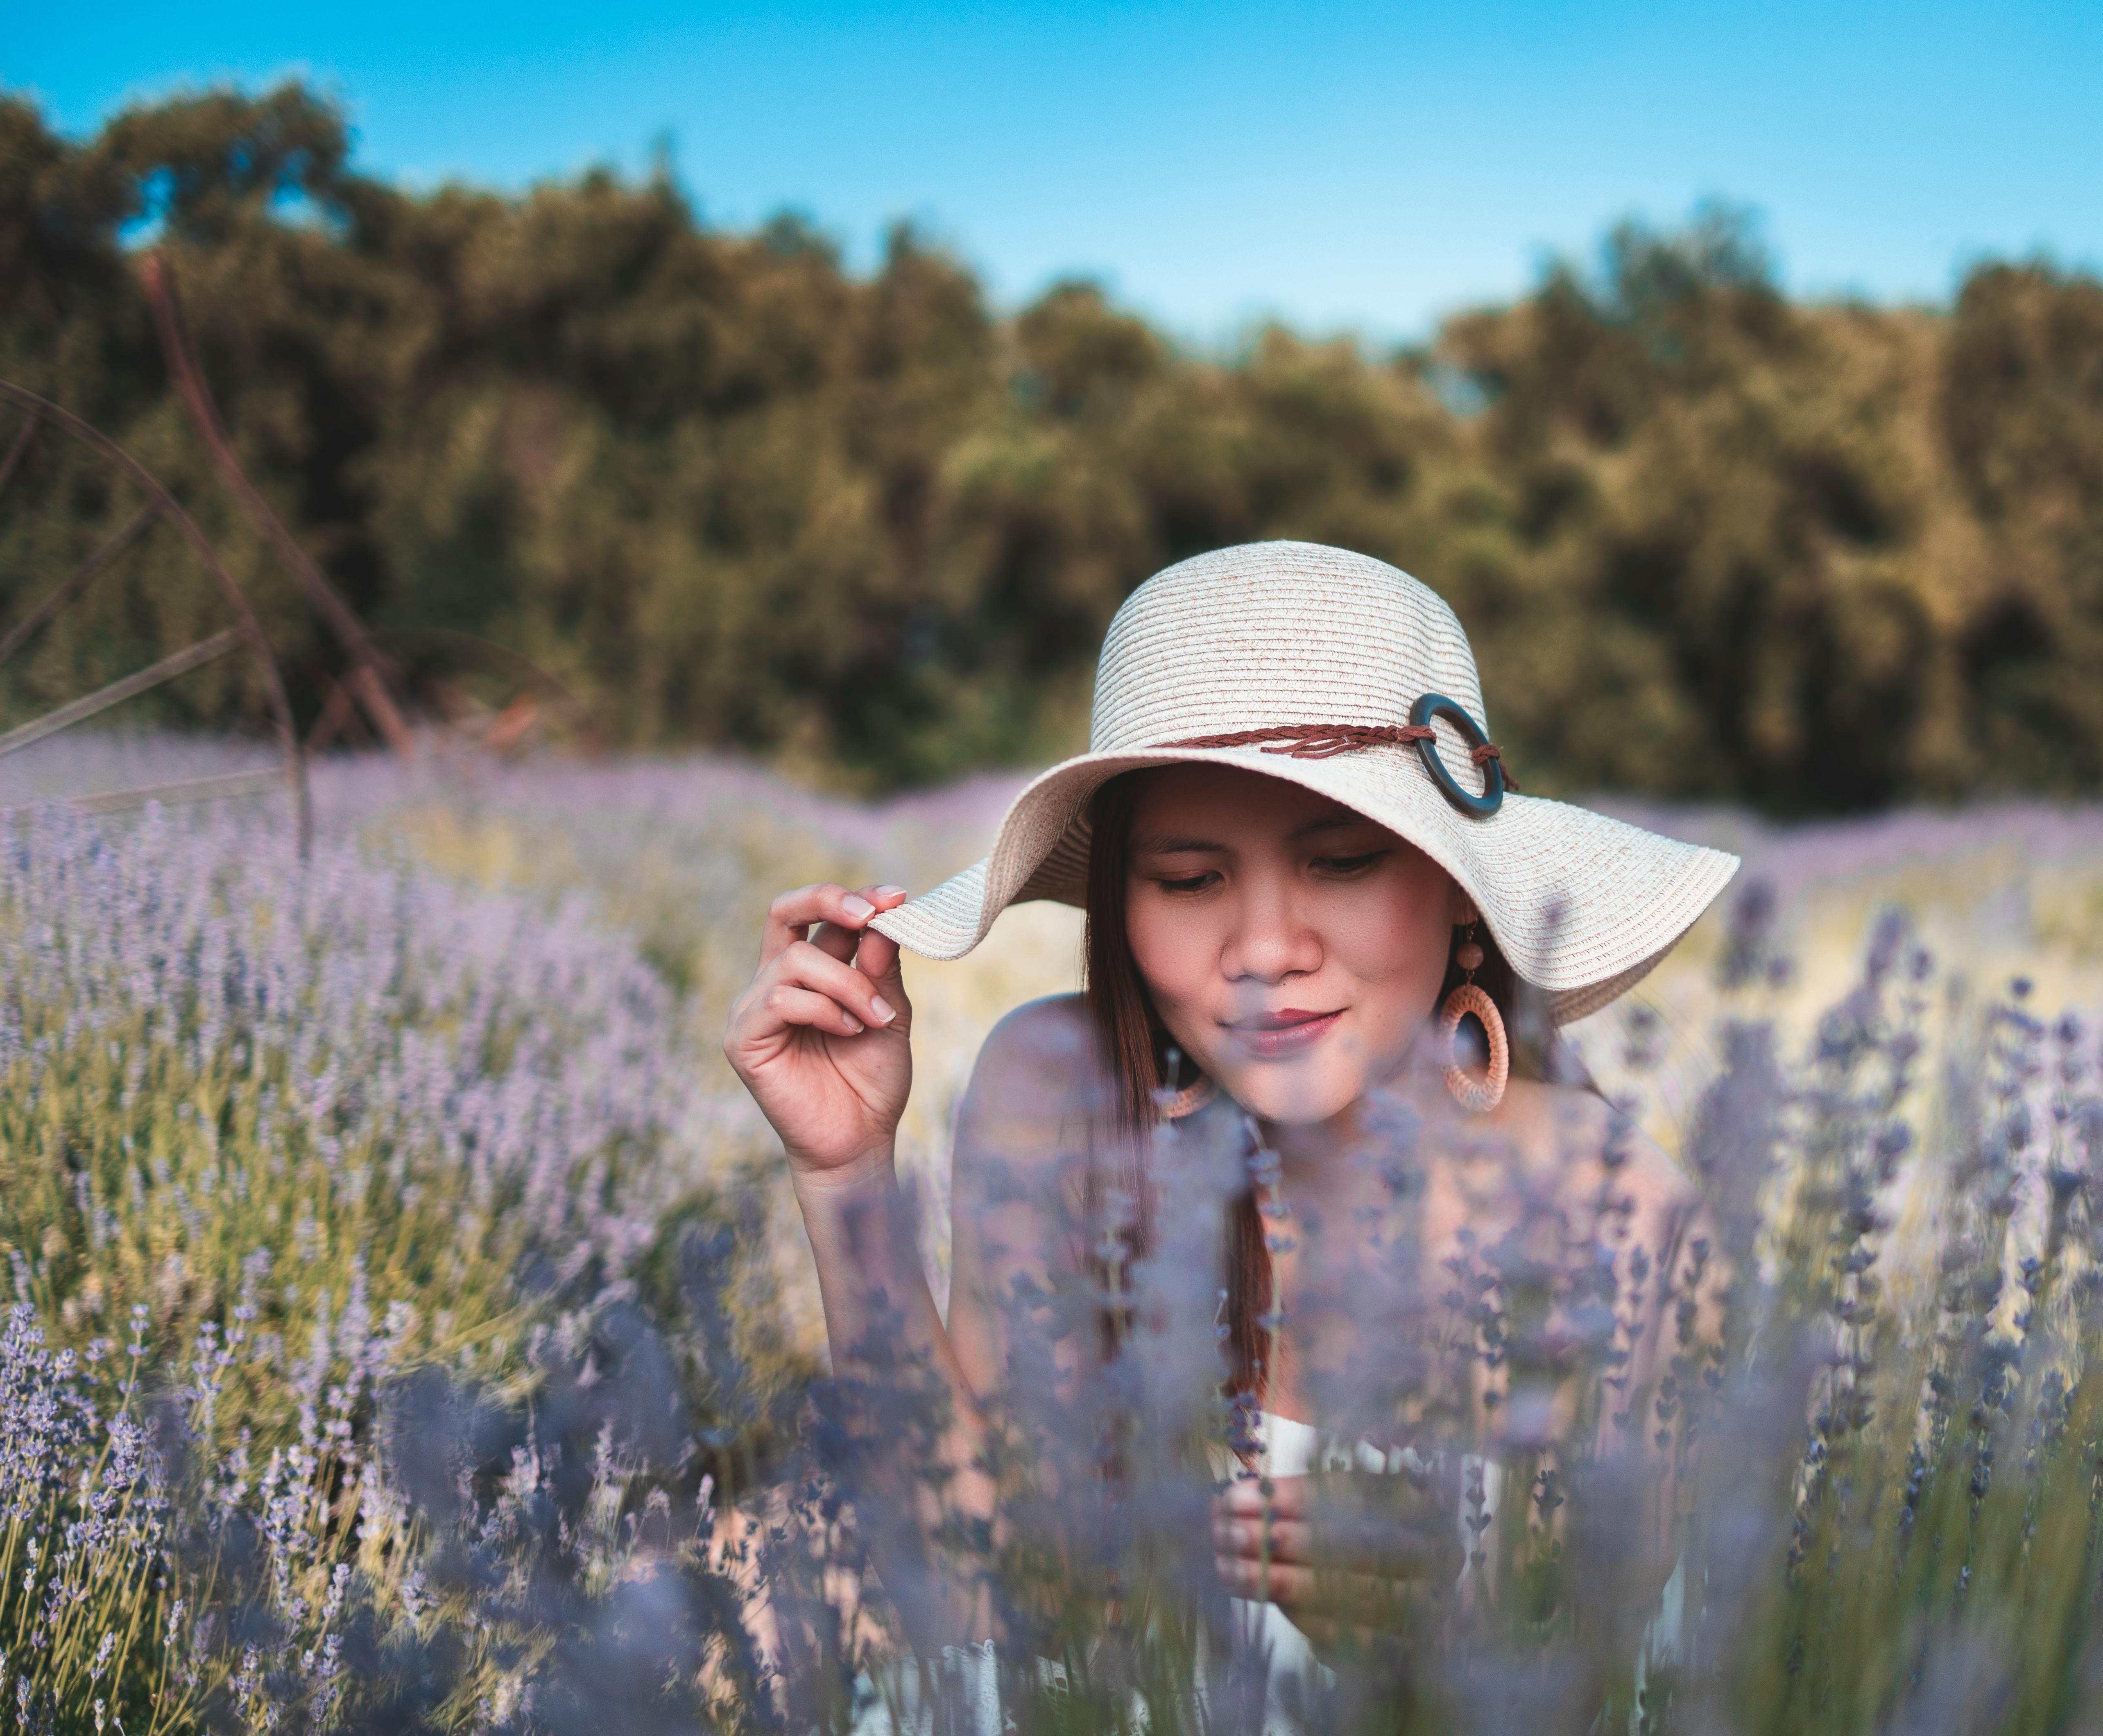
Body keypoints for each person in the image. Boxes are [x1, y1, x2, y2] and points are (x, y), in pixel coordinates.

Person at [723, 541, 1737, 1682]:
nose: (1265, 952)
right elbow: (970, 1579)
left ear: (1461, 891)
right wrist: (846, 1173)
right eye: (1191, 880)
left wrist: (1423, 1650)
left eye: (1343, 863)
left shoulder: (1617, 1220)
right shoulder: (1057, 1095)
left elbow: (1640, 1684)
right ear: (1120, 904)